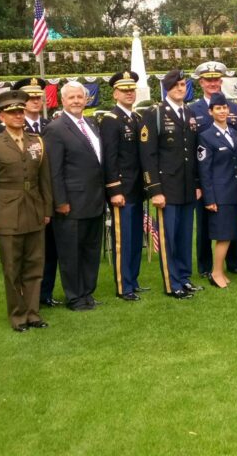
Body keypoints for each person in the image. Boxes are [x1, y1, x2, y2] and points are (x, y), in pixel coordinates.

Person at [0, 90, 52, 332]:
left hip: (34, 209)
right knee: (12, 267)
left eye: (21, 111)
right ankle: (18, 315)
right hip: (7, 211)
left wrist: (47, 209)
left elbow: (45, 180)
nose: (19, 116)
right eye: (12, 112)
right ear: (2, 117)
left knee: (34, 265)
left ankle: (32, 313)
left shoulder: (36, 141)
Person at [140, 69, 203, 299]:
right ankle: (171, 283)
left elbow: (193, 153)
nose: (181, 88)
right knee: (169, 239)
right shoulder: (154, 113)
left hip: (187, 186)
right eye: (176, 85)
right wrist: (154, 189)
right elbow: (148, 155)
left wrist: (197, 183)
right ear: (167, 88)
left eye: (183, 84)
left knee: (185, 237)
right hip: (166, 188)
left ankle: (184, 278)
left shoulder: (189, 112)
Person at [43, 81, 106, 310]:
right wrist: (60, 201)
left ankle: (88, 292)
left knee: (90, 251)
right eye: (72, 98)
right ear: (63, 101)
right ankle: (75, 297)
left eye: (80, 97)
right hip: (71, 204)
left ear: (86, 99)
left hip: (95, 200)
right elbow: (54, 170)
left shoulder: (90, 123)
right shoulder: (56, 128)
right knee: (71, 254)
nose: (77, 101)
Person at [188, 61, 237, 277]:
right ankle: (205, 266)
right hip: (205, 175)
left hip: (230, 175)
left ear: (221, 80)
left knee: (231, 219)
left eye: (216, 79)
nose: (213, 83)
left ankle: (235, 262)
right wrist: (196, 183)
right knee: (204, 224)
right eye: (208, 80)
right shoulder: (192, 109)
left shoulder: (235, 108)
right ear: (201, 82)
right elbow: (191, 148)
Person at [12, 77, 60, 308]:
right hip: (24, 200)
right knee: (25, 252)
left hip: (49, 197)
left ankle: (45, 294)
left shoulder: (51, 126)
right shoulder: (13, 129)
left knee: (50, 250)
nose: (34, 100)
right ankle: (25, 297)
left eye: (38, 96)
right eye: (29, 97)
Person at [100, 71, 147, 301]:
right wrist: (114, 189)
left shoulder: (136, 118)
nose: (129, 93)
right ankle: (123, 286)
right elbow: (109, 158)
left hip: (137, 189)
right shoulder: (111, 120)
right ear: (115, 93)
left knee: (136, 238)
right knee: (123, 239)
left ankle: (133, 280)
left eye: (132, 89)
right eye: (124, 90)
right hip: (122, 190)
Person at [197, 92, 237, 289]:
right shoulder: (206, 136)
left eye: (225, 107)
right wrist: (209, 198)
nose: (223, 111)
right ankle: (215, 271)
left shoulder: (234, 132)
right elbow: (204, 170)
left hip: (235, 192)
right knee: (223, 235)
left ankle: (221, 271)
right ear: (211, 111)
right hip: (219, 193)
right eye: (218, 108)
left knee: (231, 232)